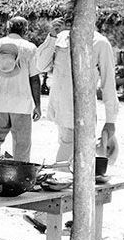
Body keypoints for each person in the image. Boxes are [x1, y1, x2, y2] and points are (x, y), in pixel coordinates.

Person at [35, 17, 118, 163]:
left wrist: (111, 120)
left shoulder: (100, 43)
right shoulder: (60, 38)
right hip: (60, 109)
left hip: (81, 111)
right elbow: (41, 66)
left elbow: (109, 84)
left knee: (69, 158)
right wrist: (52, 36)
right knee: (70, 152)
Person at [0, 16, 41, 162]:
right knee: (21, 143)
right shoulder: (30, 48)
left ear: (7, 28)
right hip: (21, 103)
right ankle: (20, 175)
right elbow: (35, 79)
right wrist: (37, 105)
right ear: (25, 30)